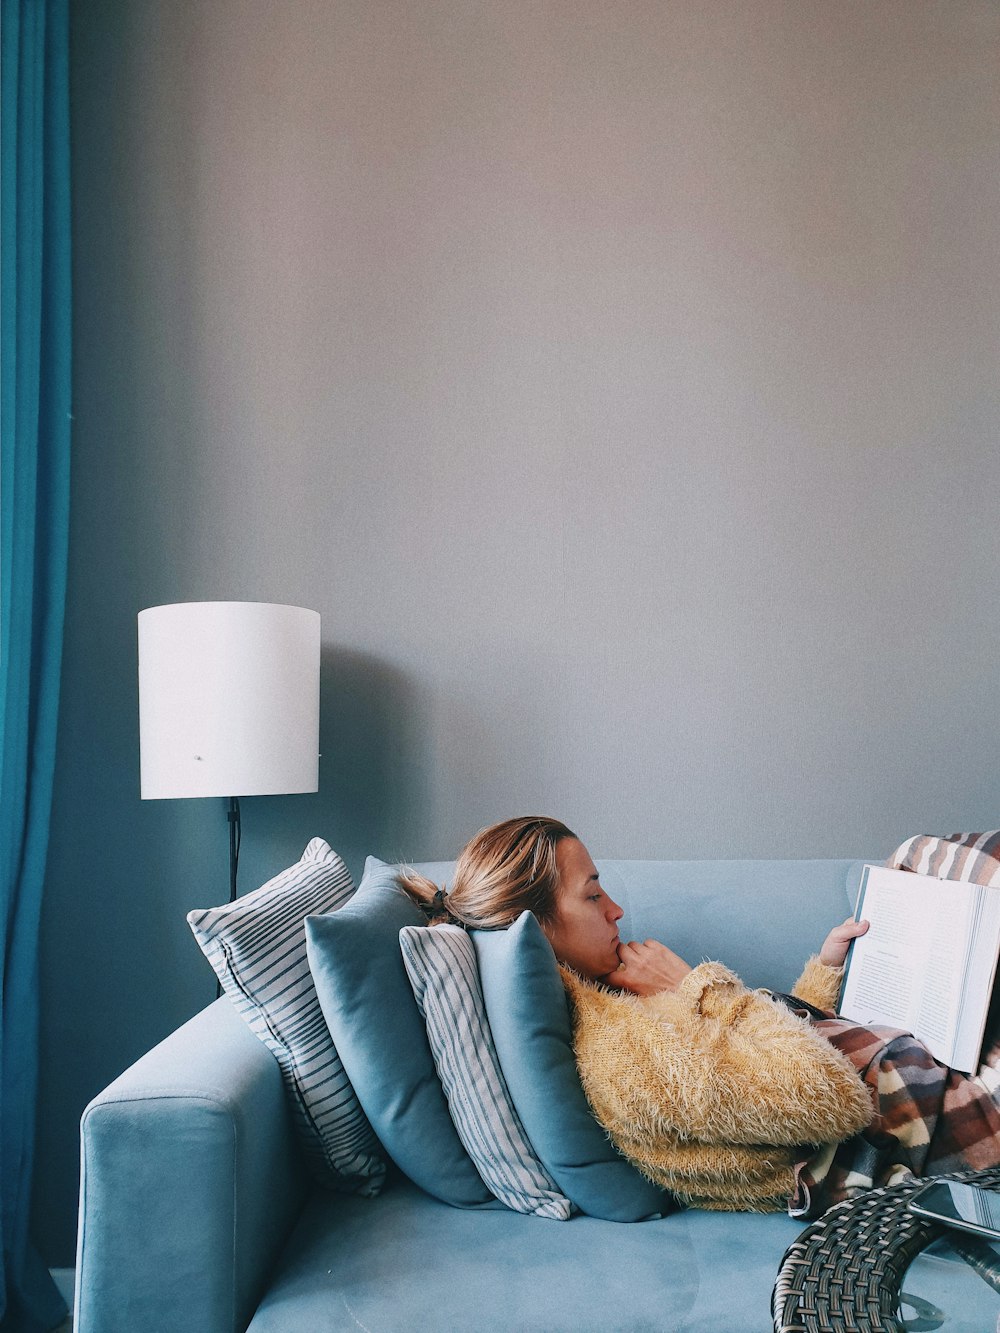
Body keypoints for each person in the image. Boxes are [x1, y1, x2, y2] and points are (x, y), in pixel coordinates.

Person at [399, 816, 1000, 1216]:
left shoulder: (612, 999)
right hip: (939, 1118)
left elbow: (762, 1050)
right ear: (537, 925)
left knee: (924, 858)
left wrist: (828, 969)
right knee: (970, 859)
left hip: (906, 1062)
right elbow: (827, 1096)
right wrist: (694, 985)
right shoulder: (620, 1060)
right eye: (592, 895)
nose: (616, 910)